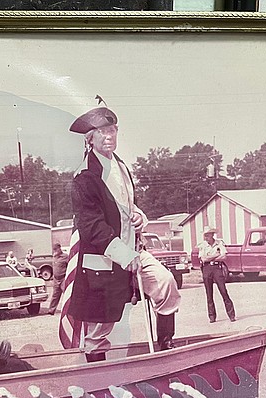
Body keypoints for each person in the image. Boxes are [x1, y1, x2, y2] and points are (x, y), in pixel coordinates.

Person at [64, 105, 180, 361]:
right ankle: (97, 376)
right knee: (99, 328)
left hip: (135, 251)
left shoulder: (121, 166)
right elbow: (91, 226)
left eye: (113, 130)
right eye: (103, 131)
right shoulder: (84, 177)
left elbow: (126, 204)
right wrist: (125, 255)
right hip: (104, 260)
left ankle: (166, 345)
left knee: (165, 283)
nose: (110, 136)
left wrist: (140, 215)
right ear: (89, 138)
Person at [197, 226, 236, 323]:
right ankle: (212, 316)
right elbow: (203, 259)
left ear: (212, 235)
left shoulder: (219, 243)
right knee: (209, 294)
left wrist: (211, 257)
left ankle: (231, 315)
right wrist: (216, 255)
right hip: (206, 268)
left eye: (207, 235)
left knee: (223, 291)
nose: (206, 237)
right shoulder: (202, 245)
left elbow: (224, 257)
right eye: (205, 235)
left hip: (217, 268)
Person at [47, 242, 69, 315]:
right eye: (54, 250)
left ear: (60, 248)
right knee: (55, 295)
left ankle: (68, 310)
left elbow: (69, 266)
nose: (55, 251)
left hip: (63, 278)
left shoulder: (65, 257)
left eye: (56, 249)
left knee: (66, 294)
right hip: (56, 279)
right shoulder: (54, 257)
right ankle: (51, 310)